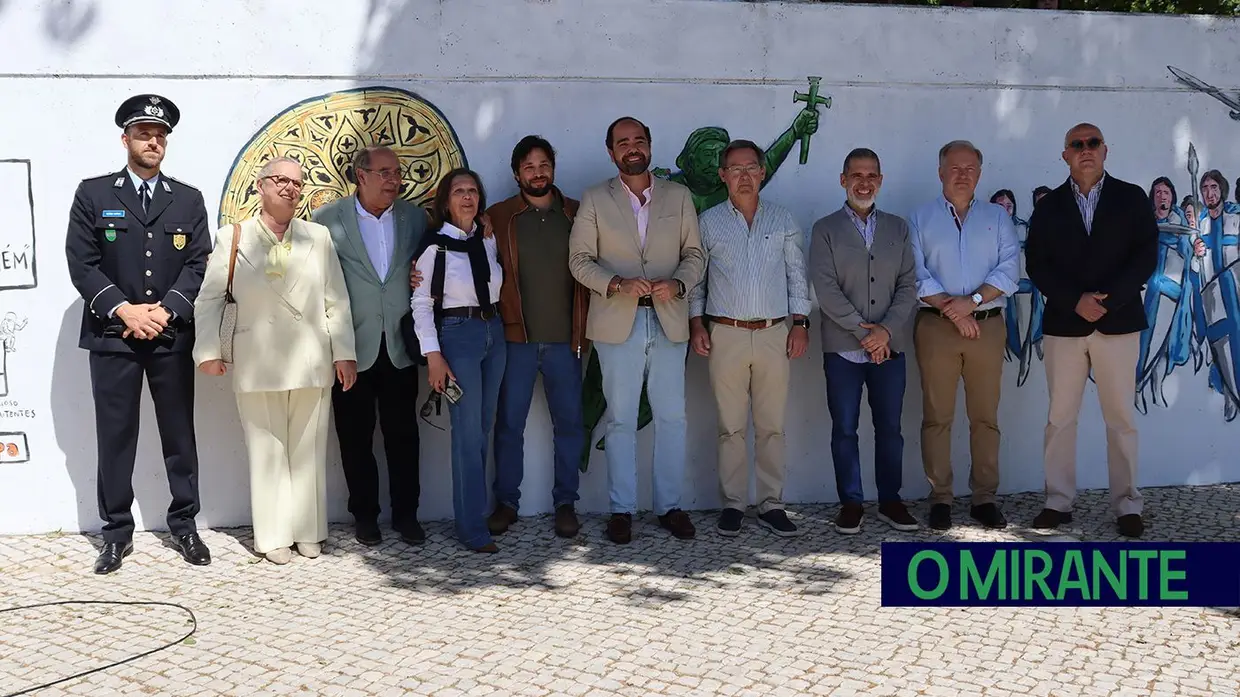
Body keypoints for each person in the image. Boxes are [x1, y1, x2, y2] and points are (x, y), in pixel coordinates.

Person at [64, 94, 213, 574]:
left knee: (178, 435)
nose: (154, 141)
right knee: (115, 437)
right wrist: (126, 310)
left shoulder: (187, 199)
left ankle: (185, 525)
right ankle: (115, 533)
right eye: (145, 133)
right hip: (113, 335)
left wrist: (166, 311)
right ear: (125, 138)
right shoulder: (94, 194)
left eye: (161, 134)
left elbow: (198, 262)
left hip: (169, 336)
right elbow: (81, 264)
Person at [194, 156, 357, 564]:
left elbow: (335, 299)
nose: (289, 188)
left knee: (308, 449)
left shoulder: (317, 237)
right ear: (261, 186)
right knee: (265, 451)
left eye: (297, 183)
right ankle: (272, 535)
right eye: (280, 180)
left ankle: (308, 530)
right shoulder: (233, 237)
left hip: (311, 357)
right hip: (256, 358)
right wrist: (209, 351)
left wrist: (345, 354)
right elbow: (210, 298)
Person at [568, 116, 705, 544]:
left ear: (650, 146)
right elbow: (579, 260)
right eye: (623, 142)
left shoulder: (679, 197)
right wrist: (615, 284)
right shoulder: (595, 198)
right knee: (621, 419)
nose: (632, 148)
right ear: (611, 152)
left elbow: (696, 255)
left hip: (668, 318)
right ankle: (621, 510)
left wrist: (679, 283)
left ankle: (669, 507)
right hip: (616, 321)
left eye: (639, 140)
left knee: (672, 417)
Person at [1024, 123, 1158, 537]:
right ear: (1064, 154)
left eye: (1093, 143)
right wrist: (1074, 300)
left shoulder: (1132, 198)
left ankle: (1127, 505)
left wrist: (1109, 300)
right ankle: (1058, 502)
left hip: (1118, 323)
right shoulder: (1049, 206)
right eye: (1077, 145)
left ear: (1105, 150)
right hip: (1065, 325)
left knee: (1120, 418)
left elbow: (1146, 255)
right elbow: (1037, 264)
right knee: (1060, 417)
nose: (1086, 150)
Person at [688, 139, 810, 537]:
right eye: (735, 169)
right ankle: (734, 504)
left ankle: (772, 503)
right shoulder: (709, 223)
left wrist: (801, 324)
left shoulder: (783, 220)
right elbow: (698, 282)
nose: (744, 176)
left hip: (775, 333)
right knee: (731, 427)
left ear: (762, 173)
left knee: (772, 425)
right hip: (727, 334)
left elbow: (796, 275)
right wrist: (695, 324)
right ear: (723, 176)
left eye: (751, 168)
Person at [311, 145, 427, 547]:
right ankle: (365, 516)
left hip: (398, 344)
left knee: (403, 436)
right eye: (384, 172)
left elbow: (432, 261)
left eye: (397, 171)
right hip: (350, 348)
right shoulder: (327, 220)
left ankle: (407, 515)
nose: (394, 179)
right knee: (354, 437)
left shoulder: (414, 217)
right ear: (361, 176)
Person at [909, 140, 1020, 531]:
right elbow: (915, 274)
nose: (962, 174)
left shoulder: (998, 218)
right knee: (937, 417)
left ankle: (984, 498)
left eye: (970, 167)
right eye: (954, 167)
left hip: (985, 326)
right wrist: (952, 310)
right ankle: (940, 496)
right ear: (940, 172)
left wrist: (970, 303)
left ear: (980, 173)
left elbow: (1010, 271)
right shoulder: (920, 218)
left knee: (984, 417)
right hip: (936, 327)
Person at [809, 147, 920, 534]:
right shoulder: (825, 229)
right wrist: (864, 333)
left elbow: (908, 285)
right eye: (856, 174)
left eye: (872, 174)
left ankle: (890, 500)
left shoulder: (898, 228)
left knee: (890, 427)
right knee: (845, 427)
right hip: (842, 347)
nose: (864, 182)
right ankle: (851, 502)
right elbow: (825, 287)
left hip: (891, 346)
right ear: (843, 180)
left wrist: (885, 331)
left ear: (881, 180)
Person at [485, 136, 588, 539]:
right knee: (509, 424)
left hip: (568, 340)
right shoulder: (498, 215)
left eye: (544, 164)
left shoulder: (577, 214)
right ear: (516, 174)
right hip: (517, 340)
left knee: (570, 425)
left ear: (553, 169)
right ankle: (506, 503)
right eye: (528, 166)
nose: (537, 172)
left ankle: (566, 503)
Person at [410, 168, 506, 553]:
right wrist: (433, 356)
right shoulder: (436, 247)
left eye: (472, 191)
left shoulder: (487, 240)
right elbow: (420, 303)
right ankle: (471, 527)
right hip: (457, 337)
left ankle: (478, 513)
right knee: (466, 433)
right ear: (446, 201)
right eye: (459, 192)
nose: (467, 197)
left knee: (483, 427)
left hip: (493, 334)